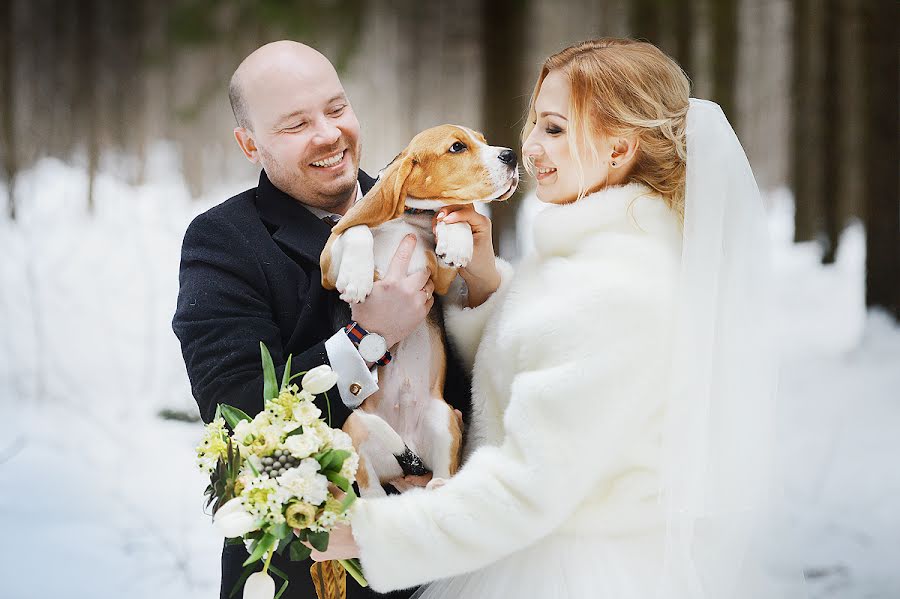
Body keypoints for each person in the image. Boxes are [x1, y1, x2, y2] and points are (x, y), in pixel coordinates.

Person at [310, 38, 792, 598]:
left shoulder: (617, 284)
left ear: (617, 150)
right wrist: (486, 282)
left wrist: (363, 533)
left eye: (555, 129)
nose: (530, 146)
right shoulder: (596, 251)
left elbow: (528, 489)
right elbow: (541, 357)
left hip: (566, 572)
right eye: (535, 123)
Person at [172, 41, 469, 599]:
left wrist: (482, 277)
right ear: (249, 144)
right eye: (295, 124)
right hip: (306, 575)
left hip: (449, 570)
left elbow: (489, 378)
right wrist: (370, 335)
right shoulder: (223, 241)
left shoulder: (426, 197)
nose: (329, 135)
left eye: (336, 109)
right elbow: (239, 413)